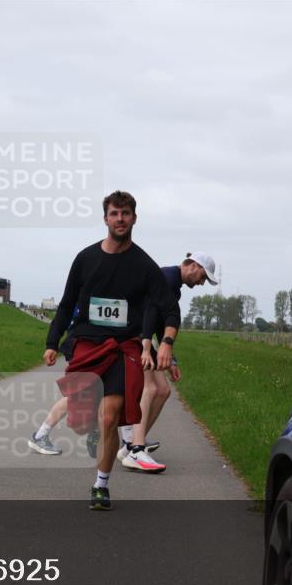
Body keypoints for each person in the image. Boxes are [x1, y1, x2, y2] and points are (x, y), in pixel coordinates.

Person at [44, 190, 179, 510]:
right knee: (85, 415)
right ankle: (94, 433)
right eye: (115, 213)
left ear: (135, 218)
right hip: (87, 345)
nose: (121, 219)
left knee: (109, 416)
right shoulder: (86, 259)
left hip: (122, 348)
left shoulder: (145, 266)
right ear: (106, 218)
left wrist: (168, 344)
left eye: (126, 213)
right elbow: (65, 305)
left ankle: (100, 485)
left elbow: (170, 309)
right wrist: (52, 342)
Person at [117, 252, 220, 473]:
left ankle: (133, 444)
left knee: (163, 390)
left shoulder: (173, 283)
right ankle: (135, 448)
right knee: (151, 387)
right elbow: (150, 312)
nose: (202, 283)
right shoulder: (166, 278)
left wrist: (170, 358)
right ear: (194, 266)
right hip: (132, 333)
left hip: (140, 333)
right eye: (203, 276)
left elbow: (160, 322)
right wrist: (146, 347)